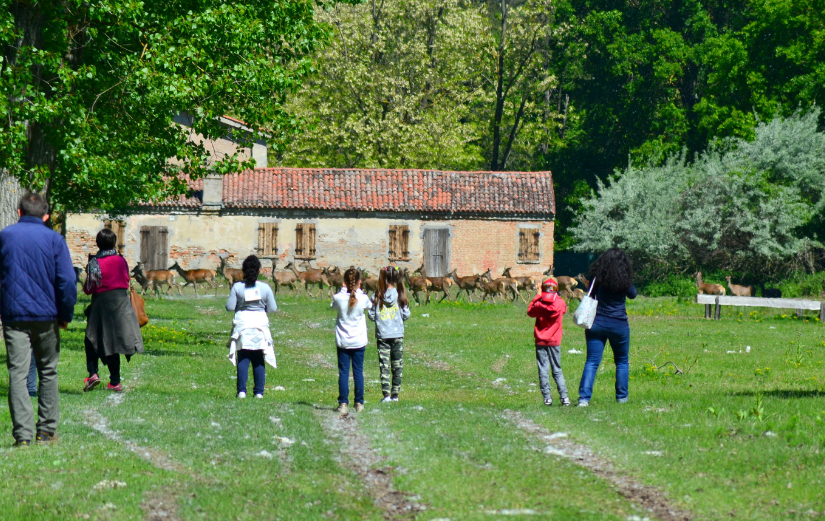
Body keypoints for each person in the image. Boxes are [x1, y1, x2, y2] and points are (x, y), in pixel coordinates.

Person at [0, 193, 77, 446]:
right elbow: (66, 281)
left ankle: (22, 437)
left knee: (18, 374)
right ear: (46, 216)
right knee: (48, 371)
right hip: (46, 315)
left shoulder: (5, 236)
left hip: (14, 316)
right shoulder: (55, 240)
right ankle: (46, 432)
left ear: (19, 212)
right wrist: (65, 314)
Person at [83, 229, 144, 392]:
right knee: (113, 342)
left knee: (91, 339)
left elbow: (89, 288)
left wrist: (87, 271)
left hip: (102, 303)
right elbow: (125, 280)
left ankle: (93, 373)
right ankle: (115, 382)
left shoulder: (95, 262)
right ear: (114, 242)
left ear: (98, 243)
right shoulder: (121, 260)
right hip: (121, 303)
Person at [577, 248, 638, 407]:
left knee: (591, 362)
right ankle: (622, 398)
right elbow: (633, 294)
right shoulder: (624, 279)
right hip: (619, 325)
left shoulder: (597, 276)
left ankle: (584, 399)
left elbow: (590, 294)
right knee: (622, 362)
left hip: (596, 323)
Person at [226, 255, 277, 399]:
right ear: (259, 270)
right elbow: (273, 309)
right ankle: (259, 392)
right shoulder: (265, 288)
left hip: (243, 323)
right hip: (259, 323)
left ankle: (241, 391)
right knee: (258, 358)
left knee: (243, 357)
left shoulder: (238, 287)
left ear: (243, 270)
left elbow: (230, 307)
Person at [330, 267, 372, 414]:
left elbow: (333, 306)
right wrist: (358, 290)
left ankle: (343, 403)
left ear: (344, 282)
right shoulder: (363, 298)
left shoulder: (338, 297)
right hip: (359, 340)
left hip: (343, 340)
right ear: (359, 282)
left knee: (343, 372)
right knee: (358, 371)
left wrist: (343, 290)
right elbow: (369, 305)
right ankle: (359, 402)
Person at [367, 266, 411, 403]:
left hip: (383, 335)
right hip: (397, 334)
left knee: (384, 365)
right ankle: (395, 395)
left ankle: (386, 395)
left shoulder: (376, 295)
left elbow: (371, 315)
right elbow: (406, 314)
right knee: (397, 365)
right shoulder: (401, 294)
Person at [527, 276, 570, 406]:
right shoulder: (560, 303)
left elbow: (530, 312)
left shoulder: (539, 304)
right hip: (555, 341)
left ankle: (547, 398)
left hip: (540, 341)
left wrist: (538, 295)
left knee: (543, 369)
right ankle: (564, 397)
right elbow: (565, 310)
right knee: (557, 369)